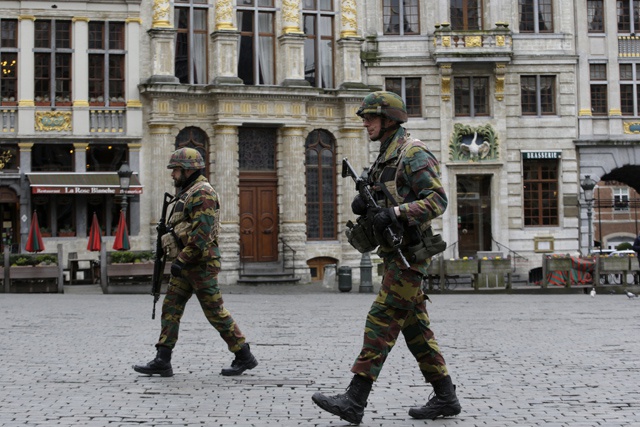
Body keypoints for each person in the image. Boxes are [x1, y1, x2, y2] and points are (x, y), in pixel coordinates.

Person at [311, 91, 461, 424]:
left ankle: (355, 398)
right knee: (416, 329)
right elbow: (380, 197)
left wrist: (395, 212)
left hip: (410, 257)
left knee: (381, 319)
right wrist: (366, 204)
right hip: (395, 255)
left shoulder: (413, 153)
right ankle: (446, 396)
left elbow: (437, 201)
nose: (365, 123)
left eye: (370, 117)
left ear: (389, 119)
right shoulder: (385, 157)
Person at [133, 147, 257, 377]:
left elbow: (202, 235)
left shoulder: (202, 194)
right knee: (171, 307)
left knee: (214, 311)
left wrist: (181, 259)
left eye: (176, 170)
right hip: (187, 264)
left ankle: (244, 355)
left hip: (201, 265)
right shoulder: (187, 193)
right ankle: (162, 359)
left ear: (188, 170)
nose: (172, 175)